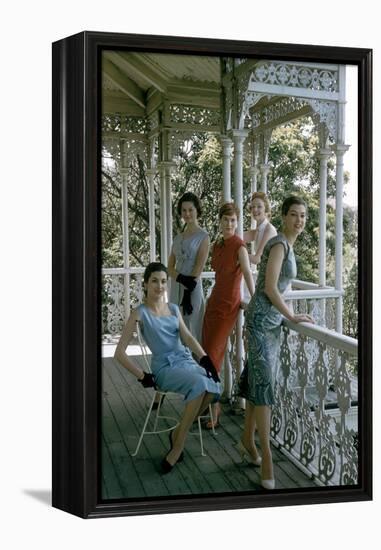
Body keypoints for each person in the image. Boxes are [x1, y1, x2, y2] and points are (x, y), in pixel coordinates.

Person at [237, 196, 314, 490]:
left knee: (256, 380)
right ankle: (266, 454)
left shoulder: (288, 245)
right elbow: (269, 287)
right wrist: (292, 316)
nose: (299, 220)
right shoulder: (280, 244)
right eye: (293, 214)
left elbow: (278, 286)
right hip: (259, 322)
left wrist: (284, 318)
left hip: (270, 324)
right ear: (283, 217)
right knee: (265, 384)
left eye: (303, 215)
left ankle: (246, 441)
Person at [114, 262, 220, 474]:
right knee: (200, 384)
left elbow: (187, 337)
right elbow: (119, 353)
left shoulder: (172, 308)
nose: (159, 286)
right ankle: (178, 446)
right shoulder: (140, 313)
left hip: (185, 360)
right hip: (164, 367)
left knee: (216, 385)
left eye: (163, 281)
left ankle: (177, 433)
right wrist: (142, 375)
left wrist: (205, 358)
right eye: (154, 281)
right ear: (145, 284)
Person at [202, 203, 255, 428]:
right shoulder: (217, 245)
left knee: (213, 355)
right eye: (225, 219)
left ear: (237, 222)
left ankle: (213, 409)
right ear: (220, 221)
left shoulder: (239, 246)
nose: (229, 224)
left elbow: (247, 274)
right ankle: (208, 405)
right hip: (213, 302)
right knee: (205, 353)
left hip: (228, 306)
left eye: (233, 220)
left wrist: (255, 299)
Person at [168, 192, 209, 344]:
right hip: (176, 287)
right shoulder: (178, 237)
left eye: (190, 209)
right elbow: (169, 267)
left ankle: (195, 365)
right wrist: (179, 279)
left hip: (192, 289)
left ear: (197, 210)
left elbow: (198, 269)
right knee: (175, 327)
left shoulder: (203, 237)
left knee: (192, 328)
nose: (187, 213)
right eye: (184, 210)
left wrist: (187, 291)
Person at [243, 191, 277, 266]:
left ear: (266, 209)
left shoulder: (269, 229)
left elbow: (257, 259)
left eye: (259, 206)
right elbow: (238, 236)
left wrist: (240, 254)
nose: (255, 209)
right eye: (253, 207)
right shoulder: (257, 231)